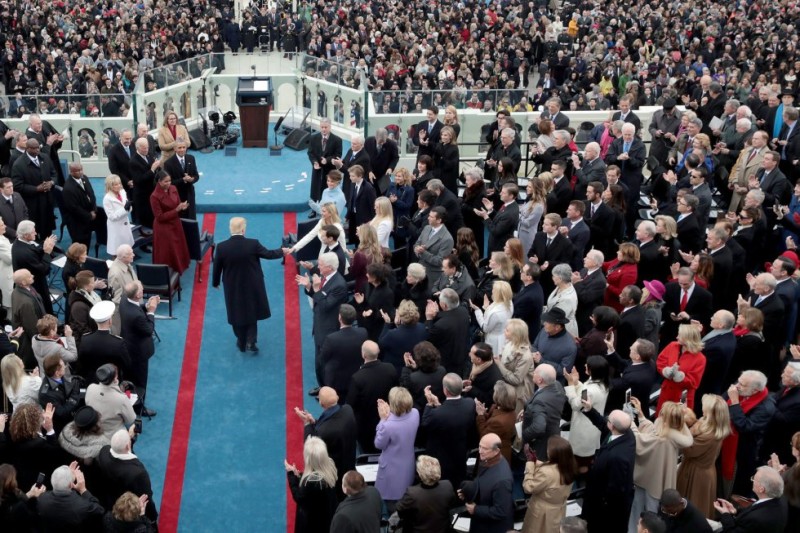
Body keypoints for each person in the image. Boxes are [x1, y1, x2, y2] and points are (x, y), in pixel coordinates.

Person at [213, 216, 284, 352]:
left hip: (232, 286)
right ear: (243, 230)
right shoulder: (253, 244)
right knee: (251, 311)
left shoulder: (222, 247)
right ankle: (251, 341)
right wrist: (282, 251)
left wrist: (215, 282)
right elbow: (269, 254)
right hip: (253, 284)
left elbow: (217, 268)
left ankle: (241, 340)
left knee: (235, 312)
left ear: (230, 229)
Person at [627, 398, 693, 531]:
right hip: (656, 478)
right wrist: (640, 415)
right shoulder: (676, 433)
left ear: (666, 419)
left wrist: (630, 421)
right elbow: (654, 430)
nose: (660, 413)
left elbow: (640, 441)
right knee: (647, 510)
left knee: (647, 513)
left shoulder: (662, 439)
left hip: (650, 478)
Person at [580, 404, 636, 533]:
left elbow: (615, 491)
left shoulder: (618, 458)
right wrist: (590, 409)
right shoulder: (625, 433)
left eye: (608, 420)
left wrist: (600, 506)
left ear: (612, 426)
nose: (606, 421)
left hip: (603, 510)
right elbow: (602, 425)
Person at [675, 394, 731, 518]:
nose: (702, 408)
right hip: (698, 469)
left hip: (697, 474)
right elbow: (697, 426)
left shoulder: (710, 435)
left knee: (692, 507)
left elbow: (689, 449)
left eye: (705, 407)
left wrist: (680, 424)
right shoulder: (710, 423)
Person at [723, 370, 776, 496]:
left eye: (742, 385)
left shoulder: (766, 408)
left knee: (737, 481)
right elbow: (722, 400)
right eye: (739, 381)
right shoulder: (741, 387)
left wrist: (735, 402)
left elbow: (744, 426)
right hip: (726, 439)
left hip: (743, 450)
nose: (737, 386)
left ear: (755, 391)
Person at [296, 387, 357, 494]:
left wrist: (307, 424)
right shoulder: (348, 410)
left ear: (321, 404)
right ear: (337, 397)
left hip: (335, 472)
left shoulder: (324, 432)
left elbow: (311, 445)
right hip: (349, 460)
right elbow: (329, 425)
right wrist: (313, 422)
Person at [421, 372, 476, 490]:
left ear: (445, 391)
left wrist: (430, 404)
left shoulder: (437, 414)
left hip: (442, 456)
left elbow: (425, 423)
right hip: (461, 452)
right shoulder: (470, 404)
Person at [95, 429, 158, 523]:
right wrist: (152, 516)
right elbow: (146, 497)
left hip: (111, 501)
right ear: (128, 446)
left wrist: (129, 440)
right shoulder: (138, 473)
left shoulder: (104, 451)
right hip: (130, 510)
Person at [346, 339, 398, 453]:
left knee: (366, 452)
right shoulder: (390, 368)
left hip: (366, 425)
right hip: (389, 417)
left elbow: (350, 404)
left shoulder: (357, 377)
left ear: (363, 355)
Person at [374, 387, 420, 511]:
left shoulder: (387, 425)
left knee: (393, 507)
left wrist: (383, 419)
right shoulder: (415, 413)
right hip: (408, 464)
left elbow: (379, 444)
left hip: (391, 471)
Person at [458, 432, 514, 533]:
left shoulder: (502, 481)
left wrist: (476, 509)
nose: (480, 451)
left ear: (496, 451)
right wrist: (468, 493)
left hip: (491, 527)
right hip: (481, 521)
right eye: (480, 446)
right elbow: (482, 481)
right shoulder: (489, 459)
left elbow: (501, 511)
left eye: (485, 448)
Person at [521, 435, 578, 533]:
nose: (547, 451)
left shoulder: (547, 473)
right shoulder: (570, 466)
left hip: (541, 513)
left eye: (549, 449)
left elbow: (528, 487)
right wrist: (535, 461)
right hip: (558, 510)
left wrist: (530, 463)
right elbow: (552, 470)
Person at [119, 281, 158, 416]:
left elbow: (136, 307)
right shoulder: (136, 316)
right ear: (138, 294)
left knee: (128, 380)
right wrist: (151, 311)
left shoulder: (124, 299)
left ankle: (128, 402)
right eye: (141, 289)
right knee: (140, 383)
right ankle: (138, 409)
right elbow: (148, 330)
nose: (143, 290)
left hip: (127, 347)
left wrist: (145, 306)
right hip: (138, 353)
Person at [284, 436, 339, 533]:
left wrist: (291, 475)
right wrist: (299, 475)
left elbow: (299, 497)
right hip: (328, 516)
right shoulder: (330, 466)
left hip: (314, 524)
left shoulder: (311, 482)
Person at [564, 356, 610, 471]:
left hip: (583, 429)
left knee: (581, 460)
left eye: (587, 365)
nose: (585, 365)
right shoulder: (603, 383)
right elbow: (584, 391)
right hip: (592, 427)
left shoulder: (590, 390)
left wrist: (570, 385)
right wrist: (576, 383)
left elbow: (575, 405)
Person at [394, 455, 459, 532]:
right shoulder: (447, 485)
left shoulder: (412, 493)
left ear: (419, 473)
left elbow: (399, 509)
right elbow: (452, 504)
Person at [713, 466, 788, 532]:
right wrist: (735, 511)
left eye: (753, 479)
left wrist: (725, 514)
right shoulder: (781, 500)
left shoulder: (756, 519)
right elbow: (755, 509)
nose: (752, 481)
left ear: (761, 489)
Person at [37, 463, 105, 531]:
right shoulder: (82, 505)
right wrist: (83, 490)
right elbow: (100, 510)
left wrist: (67, 474)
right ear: (71, 485)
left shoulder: (41, 498)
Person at [656, 324, 707, 413]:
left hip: (681, 397)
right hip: (667, 391)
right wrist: (665, 371)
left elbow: (694, 382)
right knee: (661, 418)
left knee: (676, 423)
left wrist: (680, 377)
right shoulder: (672, 345)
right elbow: (661, 361)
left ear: (688, 339)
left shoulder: (700, 358)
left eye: (680, 335)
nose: (677, 337)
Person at [10, 139, 55, 240]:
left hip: (47, 200)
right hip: (32, 204)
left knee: (48, 228)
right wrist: (36, 189)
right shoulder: (18, 164)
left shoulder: (45, 158)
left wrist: (51, 183)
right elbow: (17, 186)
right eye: (34, 148)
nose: (37, 150)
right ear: (27, 148)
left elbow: (54, 174)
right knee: (35, 230)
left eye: (38, 147)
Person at [150, 169, 190, 274]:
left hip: (175, 223)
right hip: (163, 227)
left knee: (177, 247)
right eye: (165, 181)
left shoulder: (173, 188)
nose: (168, 183)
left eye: (170, 181)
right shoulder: (154, 196)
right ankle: (166, 271)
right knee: (167, 250)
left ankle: (179, 266)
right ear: (159, 181)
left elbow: (177, 203)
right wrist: (176, 210)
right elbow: (159, 217)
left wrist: (182, 206)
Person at [522, 364, 567, 460]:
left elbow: (538, 427)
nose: (533, 373)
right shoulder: (557, 385)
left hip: (540, 445)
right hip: (553, 435)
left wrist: (524, 435)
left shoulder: (540, 402)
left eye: (535, 373)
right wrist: (529, 410)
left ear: (540, 380)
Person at [11, 220, 56, 316]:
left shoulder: (20, 242)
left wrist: (44, 247)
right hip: (35, 287)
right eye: (33, 232)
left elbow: (34, 249)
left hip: (33, 284)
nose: (36, 233)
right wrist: (47, 252)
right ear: (26, 235)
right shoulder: (24, 253)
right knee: (43, 312)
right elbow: (43, 270)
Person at [11, 268, 47, 364]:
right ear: (23, 282)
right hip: (28, 342)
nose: (33, 276)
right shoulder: (25, 303)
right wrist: (41, 340)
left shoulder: (20, 289)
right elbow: (31, 327)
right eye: (29, 276)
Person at [475, 381, 518, 462]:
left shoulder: (499, 422)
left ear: (499, 397)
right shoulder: (509, 410)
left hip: (495, 456)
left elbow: (484, 436)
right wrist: (485, 413)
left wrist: (480, 415)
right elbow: (493, 418)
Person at [470, 281, 513, 356]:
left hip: (494, 341)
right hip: (503, 336)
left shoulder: (495, 313)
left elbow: (485, 328)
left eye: (493, 291)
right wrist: (487, 308)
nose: (491, 292)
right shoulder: (509, 303)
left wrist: (478, 310)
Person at [61, 161, 97, 248]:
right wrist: (89, 215)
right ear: (71, 172)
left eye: (81, 169)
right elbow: (74, 208)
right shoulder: (68, 188)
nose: (80, 172)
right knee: (80, 245)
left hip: (88, 216)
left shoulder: (84, 178)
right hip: (77, 222)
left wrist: (94, 210)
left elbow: (91, 194)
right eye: (77, 170)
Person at [0, 463, 45, 532]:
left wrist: (31, 493)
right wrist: (35, 498)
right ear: (11, 481)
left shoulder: (10, 495)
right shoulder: (17, 508)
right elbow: (33, 519)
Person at [129, 137, 161, 230]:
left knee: (153, 218)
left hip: (152, 192)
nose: (146, 149)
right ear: (137, 148)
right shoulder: (133, 161)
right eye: (144, 148)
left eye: (147, 147)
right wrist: (152, 169)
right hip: (142, 197)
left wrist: (157, 168)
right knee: (145, 221)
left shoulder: (149, 155)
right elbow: (139, 180)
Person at [162, 139, 199, 219]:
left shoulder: (191, 158)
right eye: (179, 148)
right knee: (181, 219)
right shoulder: (168, 163)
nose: (182, 149)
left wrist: (192, 179)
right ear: (175, 149)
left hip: (190, 194)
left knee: (192, 217)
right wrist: (183, 180)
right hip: (177, 196)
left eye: (183, 147)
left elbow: (196, 175)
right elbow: (169, 183)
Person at [308, 120, 343, 204]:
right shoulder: (313, 138)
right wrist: (314, 162)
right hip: (317, 168)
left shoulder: (337, 140)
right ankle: (314, 208)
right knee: (315, 187)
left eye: (325, 127)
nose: (323, 129)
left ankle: (327, 208)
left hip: (329, 169)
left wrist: (327, 160)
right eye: (322, 127)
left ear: (330, 127)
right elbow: (310, 152)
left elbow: (338, 155)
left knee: (327, 187)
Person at [67, 270, 103, 346]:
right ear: (86, 286)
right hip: (87, 342)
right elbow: (83, 329)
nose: (95, 283)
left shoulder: (89, 294)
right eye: (93, 282)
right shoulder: (78, 307)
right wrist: (97, 338)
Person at [102, 174, 134, 258]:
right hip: (116, 227)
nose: (119, 186)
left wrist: (128, 207)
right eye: (116, 184)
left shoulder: (122, 192)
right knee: (117, 251)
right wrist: (124, 209)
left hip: (125, 223)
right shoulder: (107, 198)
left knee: (127, 249)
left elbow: (127, 207)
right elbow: (111, 216)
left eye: (119, 183)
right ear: (110, 186)